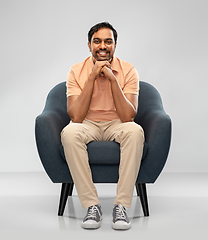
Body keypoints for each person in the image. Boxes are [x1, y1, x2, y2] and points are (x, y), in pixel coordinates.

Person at [61, 22, 144, 230]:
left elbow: (128, 117)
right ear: (89, 45)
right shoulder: (75, 71)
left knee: (135, 131)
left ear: (115, 45)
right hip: (87, 123)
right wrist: (92, 76)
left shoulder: (129, 70)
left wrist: (112, 79)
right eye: (97, 41)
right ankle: (92, 206)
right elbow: (76, 117)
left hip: (118, 123)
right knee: (70, 133)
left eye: (108, 41)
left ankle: (122, 207)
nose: (103, 46)